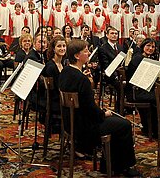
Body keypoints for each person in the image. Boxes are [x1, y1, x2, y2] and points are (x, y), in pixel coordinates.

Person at [58, 39, 140, 177]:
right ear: (77, 56)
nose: (89, 53)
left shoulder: (65, 72)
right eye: (86, 51)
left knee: (116, 123)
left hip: (70, 124)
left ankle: (108, 164)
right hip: (85, 128)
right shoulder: (81, 79)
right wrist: (104, 114)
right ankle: (123, 167)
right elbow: (90, 110)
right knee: (124, 125)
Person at [126, 38, 159, 137]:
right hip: (135, 92)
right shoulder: (138, 58)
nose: (150, 48)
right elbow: (138, 80)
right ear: (143, 46)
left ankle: (152, 128)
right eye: (148, 46)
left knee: (159, 98)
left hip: (142, 90)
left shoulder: (147, 58)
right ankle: (155, 130)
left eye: (153, 46)